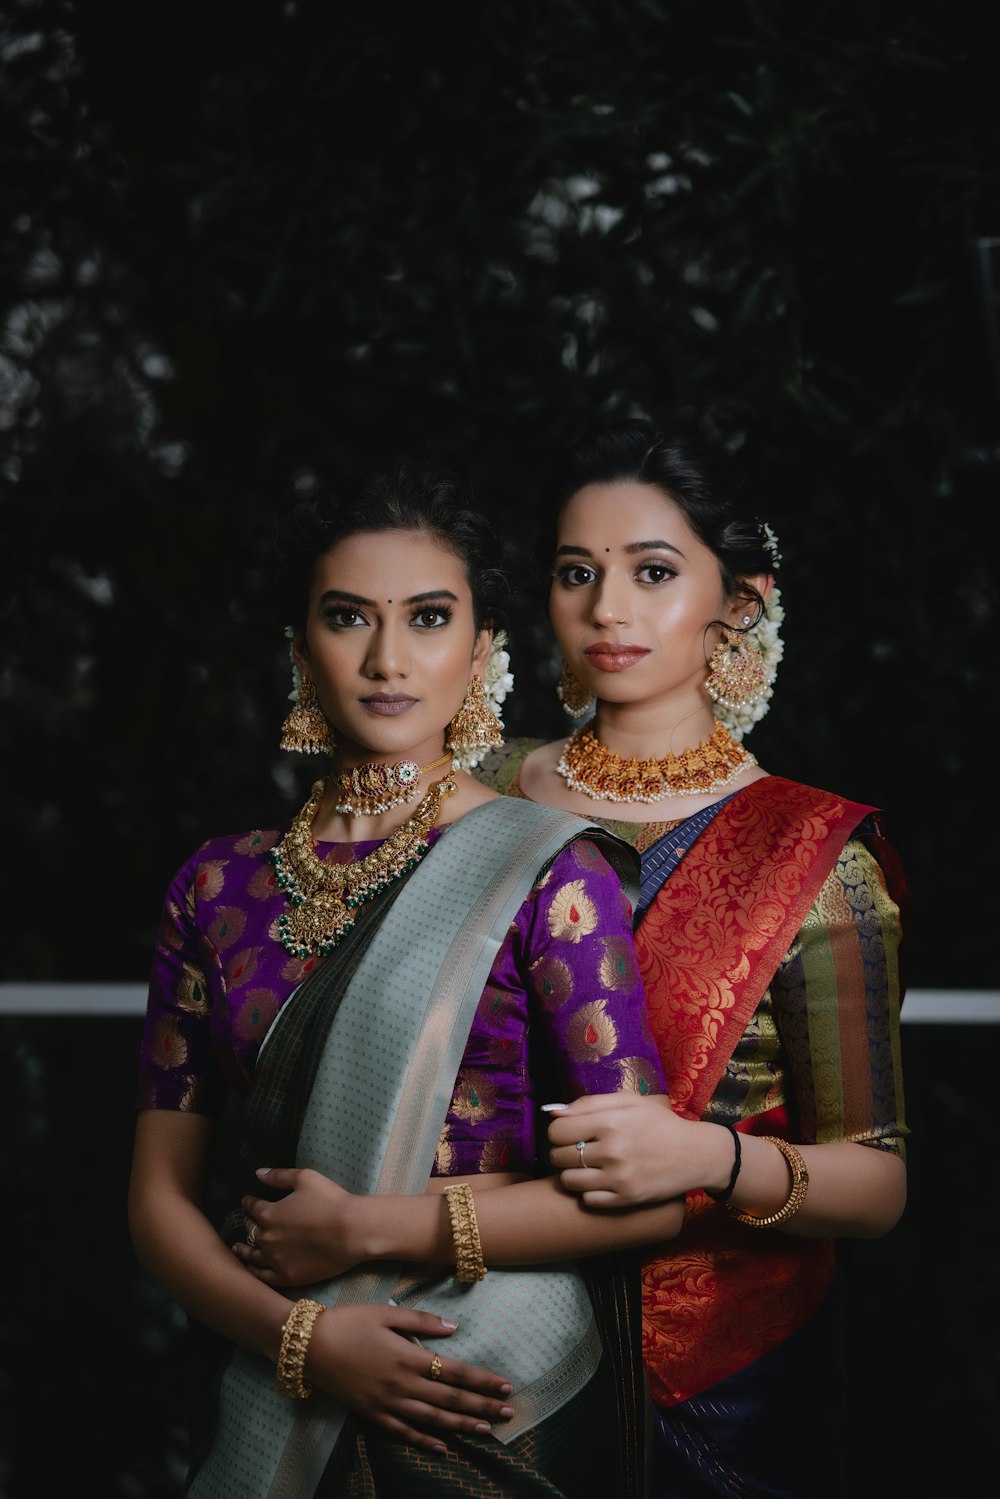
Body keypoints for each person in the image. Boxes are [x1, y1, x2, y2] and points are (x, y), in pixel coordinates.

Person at [127, 461, 686, 1499]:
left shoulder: (547, 864)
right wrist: (307, 1340)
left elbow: (645, 1202)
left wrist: (372, 1228)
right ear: (302, 648)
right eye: (349, 617)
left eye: (428, 617)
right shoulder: (217, 883)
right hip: (276, 1374)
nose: (388, 658)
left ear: (480, 650)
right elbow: (158, 1198)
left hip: (490, 1384)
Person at [475, 418, 909, 1499]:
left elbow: (877, 1176)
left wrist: (709, 1160)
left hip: (722, 1388)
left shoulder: (811, 851)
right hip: (466, 1341)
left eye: (652, 572)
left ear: (739, 602)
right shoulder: (468, 791)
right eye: (577, 572)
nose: (606, 608)